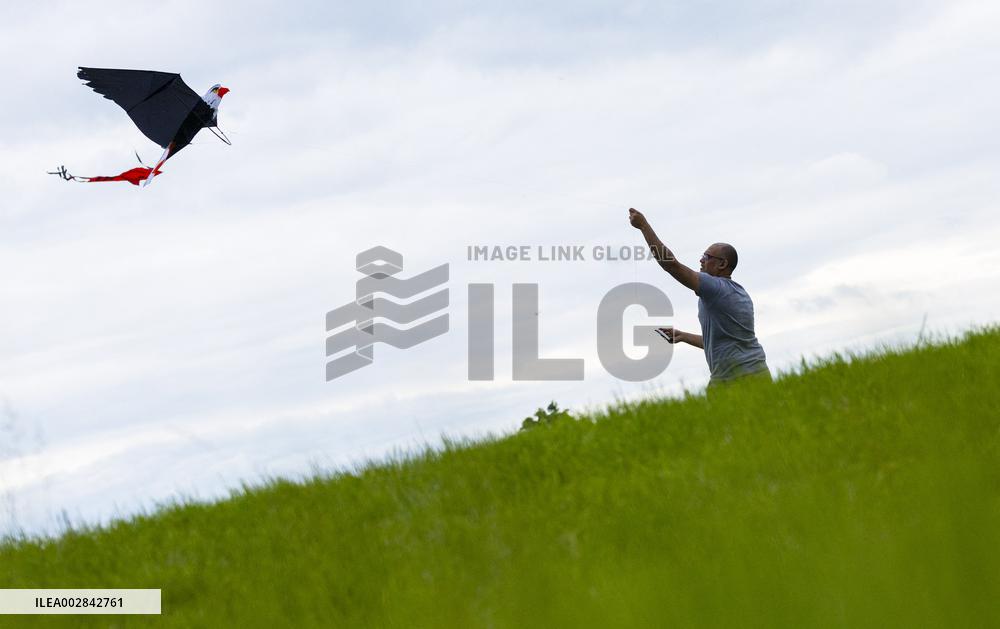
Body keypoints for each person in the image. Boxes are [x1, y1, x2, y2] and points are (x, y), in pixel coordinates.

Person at [628, 207, 770, 388]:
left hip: (737, 380)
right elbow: (721, 343)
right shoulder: (739, 293)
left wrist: (644, 226)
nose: (701, 260)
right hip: (755, 373)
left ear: (722, 264)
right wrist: (682, 336)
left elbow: (671, 265)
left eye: (706, 256)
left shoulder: (716, 287)